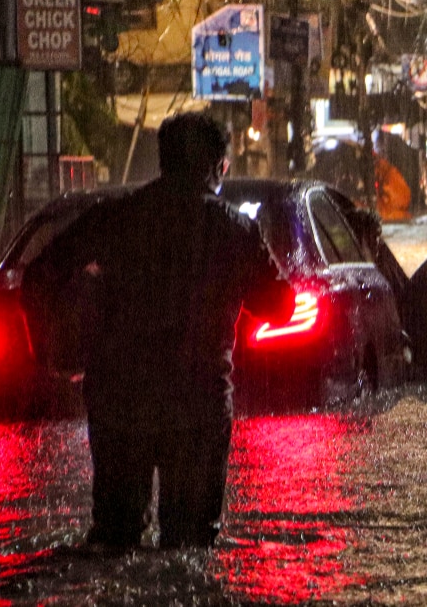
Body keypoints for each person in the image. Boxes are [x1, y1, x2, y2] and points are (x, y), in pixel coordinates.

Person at [22, 112, 295, 551]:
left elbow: (39, 276)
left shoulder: (114, 217)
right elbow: (280, 305)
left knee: (113, 541)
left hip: (118, 401)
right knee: (189, 547)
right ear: (217, 168)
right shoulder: (233, 229)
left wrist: (51, 353)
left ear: (164, 161)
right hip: (197, 405)